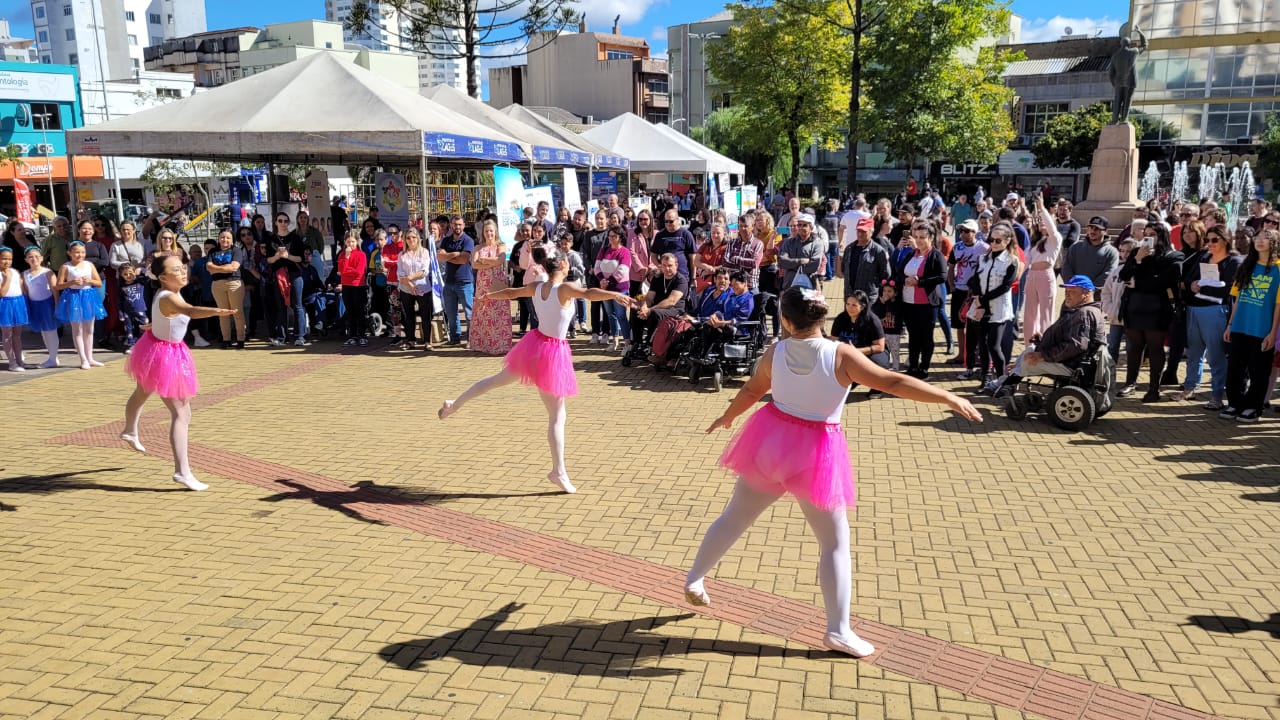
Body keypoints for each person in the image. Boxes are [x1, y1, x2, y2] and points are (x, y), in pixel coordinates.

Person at [683, 286, 982, 658]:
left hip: (769, 441)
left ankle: (695, 579)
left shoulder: (776, 351)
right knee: (834, 543)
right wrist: (948, 396)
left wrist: (727, 417)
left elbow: (752, 390)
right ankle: (838, 631)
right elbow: (892, 381)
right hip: (814, 454)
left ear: (785, 321)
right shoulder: (840, 354)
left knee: (734, 517)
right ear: (822, 316)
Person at [438, 246, 634, 492]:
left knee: (496, 380)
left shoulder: (538, 286)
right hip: (551, 353)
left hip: (534, 345)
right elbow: (588, 293)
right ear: (562, 265)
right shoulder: (564, 288)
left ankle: (454, 404)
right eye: (567, 262)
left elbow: (511, 293)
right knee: (557, 417)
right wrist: (614, 295)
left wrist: (489, 296)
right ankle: (558, 471)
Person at [120, 255, 238, 491]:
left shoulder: (167, 293)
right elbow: (190, 311)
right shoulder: (168, 296)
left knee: (142, 392)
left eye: (183, 267)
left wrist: (155, 324)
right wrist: (218, 311)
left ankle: (130, 430)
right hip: (165, 356)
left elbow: (168, 316)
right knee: (182, 412)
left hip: (156, 348)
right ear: (163, 277)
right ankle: (182, 472)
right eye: (176, 270)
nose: (183, 272)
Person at [999, 275, 1107, 391]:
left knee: (1028, 361)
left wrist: (1043, 355)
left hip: (1072, 365)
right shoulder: (1081, 310)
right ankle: (1008, 379)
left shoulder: (1083, 313)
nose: (1067, 295)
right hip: (1069, 360)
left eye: (1072, 291)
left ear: (1086, 294)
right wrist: (1044, 340)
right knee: (1030, 350)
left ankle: (1006, 383)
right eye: (1066, 291)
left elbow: (1075, 346)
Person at [1117, 221, 1182, 401]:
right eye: (1146, 234)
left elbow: (1164, 281)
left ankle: (1154, 388)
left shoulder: (1173, 256)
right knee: (1134, 347)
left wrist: (1138, 283)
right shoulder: (1137, 253)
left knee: (1155, 348)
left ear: (1162, 236)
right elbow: (1123, 275)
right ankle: (1130, 383)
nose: (1148, 238)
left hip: (1157, 309)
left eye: (1153, 234)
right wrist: (1137, 259)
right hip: (1134, 307)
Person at [1177, 224, 1241, 408]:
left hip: (1216, 311)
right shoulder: (1204, 256)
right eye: (1207, 240)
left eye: (1214, 240)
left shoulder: (1234, 262)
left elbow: (1230, 290)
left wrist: (1205, 286)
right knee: (1193, 353)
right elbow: (1189, 278)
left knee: (1216, 355)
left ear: (1226, 241)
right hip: (1194, 309)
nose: (1210, 243)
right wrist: (1192, 284)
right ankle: (1190, 387)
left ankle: (1217, 395)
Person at [1221, 228, 1280, 422]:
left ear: (1274, 243)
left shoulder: (1279, 268)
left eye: (1266, 238)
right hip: (1240, 326)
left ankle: (1253, 407)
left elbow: (1278, 304)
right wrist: (1230, 324)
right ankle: (1235, 403)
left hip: (1262, 329)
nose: (1260, 240)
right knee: (1235, 368)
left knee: (1259, 370)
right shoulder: (1247, 264)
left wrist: (1272, 333)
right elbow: (1237, 298)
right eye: (1258, 237)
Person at [967, 222, 1022, 393]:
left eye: (998, 240)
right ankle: (985, 377)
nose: (994, 243)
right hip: (979, 306)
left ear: (1007, 240)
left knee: (994, 345)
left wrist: (982, 300)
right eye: (991, 240)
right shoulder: (983, 258)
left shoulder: (1012, 261)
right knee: (982, 345)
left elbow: (1005, 286)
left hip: (998, 308)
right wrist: (977, 298)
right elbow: (975, 280)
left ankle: (1001, 380)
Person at [894, 219, 947, 378]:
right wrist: (904, 280)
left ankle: (924, 368)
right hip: (908, 302)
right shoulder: (912, 254)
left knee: (926, 337)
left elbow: (942, 277)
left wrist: (920, 282)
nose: (918, 240)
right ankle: (913, 366)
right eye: (916, 236)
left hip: (927, 303)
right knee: (913, 336)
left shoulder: (936, 255)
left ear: (931, 237)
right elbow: (899, 273)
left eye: (922, 237)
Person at [55, 241, 107, 369]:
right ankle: (83, 359)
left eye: (83, 252)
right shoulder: (66, 267)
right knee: (77, 329)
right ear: (69, 253)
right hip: (74, 297)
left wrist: (90, 280)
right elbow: (58, 285)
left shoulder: (89, 265)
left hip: (88, 296)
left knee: (89, 329)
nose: (80, 255)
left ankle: (90, 358)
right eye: (77, 252)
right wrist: (71, 282)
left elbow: (99, 282)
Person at [830, 290, 889, 397]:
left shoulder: (872, 320)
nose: (850, 308)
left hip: (870, 353)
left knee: (876, 363)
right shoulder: (840, 319)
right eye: (848, 304)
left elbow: (880, 347)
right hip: (847, 355)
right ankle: (853, 380)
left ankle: (877, 386)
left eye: (854, 305)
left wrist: (856, 351)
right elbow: (833, 341)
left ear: (862, 306)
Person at [949, 219, 988, 374]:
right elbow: (951, 267)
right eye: (961, 231)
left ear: (974, 232)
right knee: (959, 324)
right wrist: (952, 285)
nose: (963, 234)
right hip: (959, 289)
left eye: (966, 231)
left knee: (975, 325)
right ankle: (961, 354)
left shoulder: (984, 248)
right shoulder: (957, 247)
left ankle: (974, 356)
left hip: (976, 292)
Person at [1023, 194, 1063, 344]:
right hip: (1031, 276)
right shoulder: (1035, 242)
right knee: (1029, 313)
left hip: (1046, 276)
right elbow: (1025, 262)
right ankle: (1029, 345)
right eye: (1040, 222)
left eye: (1045, 221)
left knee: (1046, 312)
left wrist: (1041, 207)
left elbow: (1051, 228)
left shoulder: (1055, 239)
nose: (1042, 224)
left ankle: (1046, 344)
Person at [469, 220, 512, 355]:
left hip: (497, 281)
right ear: (483, 233)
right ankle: (483, 344)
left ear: (495, 232)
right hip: (483, 283)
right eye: (486, 231)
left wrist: (483, 261)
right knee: (483, 311)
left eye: (491, 231)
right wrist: (491, 263)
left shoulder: (501, 246)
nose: (489, 233)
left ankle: (500, 344)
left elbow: (500, 260)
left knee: (498, 311)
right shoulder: (478, 247)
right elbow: (474, 264)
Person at [396, 226, 436, 351]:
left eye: (413, 237)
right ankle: (410, 340)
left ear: (418, 238)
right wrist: (411, 284)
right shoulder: (402, 255)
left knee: (425, 315)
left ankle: (427, 341)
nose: (411, 240)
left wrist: (411, 277)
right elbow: (400, 274)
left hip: (423, 287)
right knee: (408, 316)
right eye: (408, 238)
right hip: (406, 288)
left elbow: (424, 271)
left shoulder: (424, 252)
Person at [594, 226, 633, 352]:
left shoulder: (625, 252)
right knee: (611, 315)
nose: (611, 238)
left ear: (620, 238)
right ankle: (615, 341)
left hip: (619, 289)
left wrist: (608, 282)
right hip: (605, 289)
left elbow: (622, 270)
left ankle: (627, 343)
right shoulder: (604, 250)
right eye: (610, 236)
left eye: (614, 236)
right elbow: (597, 267)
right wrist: (601, 280)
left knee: (621, 316)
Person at [438, 215, 475, 346]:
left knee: (469, 313)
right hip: (449, 282)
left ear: (464, 225)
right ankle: (454, 338)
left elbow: (464, 259)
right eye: (455, 224)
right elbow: (440, 257)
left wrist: (448, 256)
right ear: (451, 225)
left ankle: (470, 339)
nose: (457, 227)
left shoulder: (468, 240)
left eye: (459, 224)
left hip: (465, 282)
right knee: (451, 314)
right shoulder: (446, 240)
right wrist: (455, 254)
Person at [208, 229, 247, 349]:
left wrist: (216, 268)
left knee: (237, 312)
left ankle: (240, 339)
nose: (225, 240)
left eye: (228, 238)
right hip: (217, 284)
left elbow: (234, 267)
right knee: (222, 313)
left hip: (233, 283)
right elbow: (209, 267)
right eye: (222, 237)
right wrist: (225, 268)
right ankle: (226, 339)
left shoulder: (236, 250)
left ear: (232, 240)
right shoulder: (213, 251)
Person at [22, 246, 60, 368]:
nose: (34, 259)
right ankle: (52, 357)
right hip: (34, 305)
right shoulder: (24, 274)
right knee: (44, 332)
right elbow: (26, 291)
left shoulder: (47, 272)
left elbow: (54, 289)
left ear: (42, 258)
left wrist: (56, 304)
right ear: (26, 259)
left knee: (51, 331)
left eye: (37, 256)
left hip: (47, 304)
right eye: (30, 257)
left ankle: (53, 358)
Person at [1061, 216, 1120, 291]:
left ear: (1105, 231)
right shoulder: (1075, 247)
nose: (1093, 231)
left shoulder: (1112, 252)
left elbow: (1108, 273)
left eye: (1097, 228)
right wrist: (1073, 286)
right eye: (1091, 227)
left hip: (1097, 294)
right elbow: (1066, 266)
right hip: (1074, 291)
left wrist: (1089, 289)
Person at [1101, 238, 1136, 363]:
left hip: (1132, 318)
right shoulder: (1117, 271)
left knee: (1132, 348)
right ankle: (1109, 371)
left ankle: (1131, 373)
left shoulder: (1140, 270)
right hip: (1116, 316)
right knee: (1112, 346)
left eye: (1128, 251)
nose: (1124, 254)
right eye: (1122, 251)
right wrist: (1109, 308)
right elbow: (1106, 291)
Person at [336, 230, 369, 347]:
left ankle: (362, 335)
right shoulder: (342, 255)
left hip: (358, 285)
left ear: (357, 242)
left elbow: (359, 272)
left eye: (353, 241)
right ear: (345, 242)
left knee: (359, 310)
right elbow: (341, 271)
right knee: (350, 311)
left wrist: (347, 271)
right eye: (348, 242)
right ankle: (353, 335)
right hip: (346, 285)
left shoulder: (361, 254)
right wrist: (347, 257)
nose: (351, 244)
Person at [778, 213, 825, 291]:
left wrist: (791, 265)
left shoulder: (818, 243)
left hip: (809, 287)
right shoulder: (788, 242)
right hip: (789, 286)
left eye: (804, 225)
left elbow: (814, 266)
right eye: (799, 225)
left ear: (811, 227)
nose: (801, 227)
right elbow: (781, 262)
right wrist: (800, 261)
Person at [0, 247, 28, 371]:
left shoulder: (15, 272)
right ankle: (12, 363)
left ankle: (20, 360)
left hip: (18, 303)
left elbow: (21, 288)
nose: (7, 261)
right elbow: (2, 293)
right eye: (4, 258)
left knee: (17, 335)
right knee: (7, 334)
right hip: (5, 305)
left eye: (10, 259)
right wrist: (7, 279)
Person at [722, 210, 763, 292]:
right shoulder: (732, 243)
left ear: (752, 226)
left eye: (745, 226)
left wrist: (735, 259)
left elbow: (754, 264)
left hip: (750, 287)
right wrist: (746, 263)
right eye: (740, 226)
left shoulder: (758, 244)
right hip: (733, 286)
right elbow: (725, 262)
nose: (742, 229)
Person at [117, 263, 149, 352]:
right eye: (125, 274)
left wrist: (141, 270)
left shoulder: (140, 282)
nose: (128, 276)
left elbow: (148, 276)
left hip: (140, 309)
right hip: (127, 311)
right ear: (121, 275)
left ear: (134, 272)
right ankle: (131, 345)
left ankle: (145, 344)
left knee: (144, 327)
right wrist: (120, 313)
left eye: (130, 273)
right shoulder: (121, 286)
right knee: (129, 329)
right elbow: (120, 301)